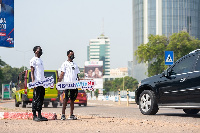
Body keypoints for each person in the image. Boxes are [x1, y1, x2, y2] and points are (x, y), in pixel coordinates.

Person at [58, 50, 80, 120]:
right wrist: (58, 82)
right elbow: (62, 74)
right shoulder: (65, 64)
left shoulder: (75, 64)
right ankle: (63, 114)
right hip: (67, 84)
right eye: (71, 54)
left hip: (74, 85)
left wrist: (79, 83)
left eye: (73, 54)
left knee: (72, 99)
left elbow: (77, 75)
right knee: (66, 99)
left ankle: (71, 114)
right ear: (68, 55)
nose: (72, 56)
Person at [30, 46, 48, 121]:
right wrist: (33, 82)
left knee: (41, 99)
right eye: (39, 50)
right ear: (35, 51)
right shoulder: (33, 60)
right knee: (36, 99)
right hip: (36, 83)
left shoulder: (40, 60)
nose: (41, 51)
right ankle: (34, 115)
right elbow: (32, 71)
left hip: (42, 83)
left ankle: (39, 115)